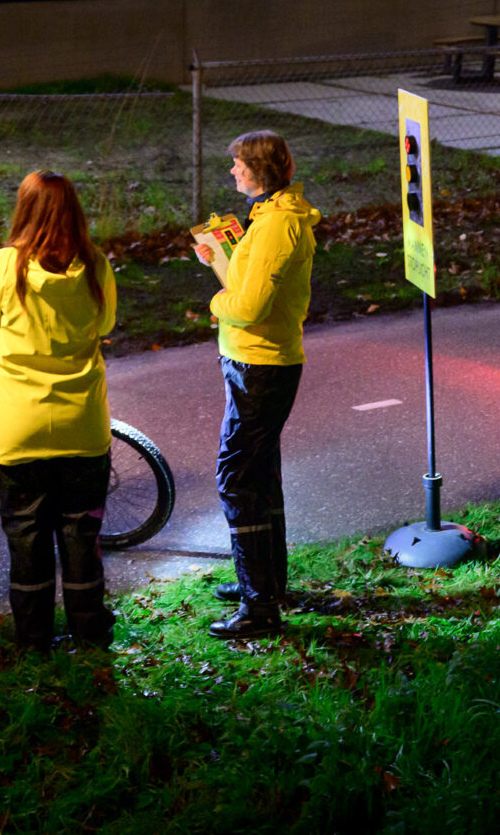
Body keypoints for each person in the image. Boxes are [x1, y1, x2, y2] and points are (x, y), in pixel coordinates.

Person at [0, 171, 119, 651]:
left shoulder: (3, 264)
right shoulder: (96, 264)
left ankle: (33, 640)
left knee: (26, 534)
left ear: (24, 210)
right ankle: (89, 632)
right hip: (82, 422)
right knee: (81, 532)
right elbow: (108, 322)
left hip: (19, 426)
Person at [192, 130, 321, 640]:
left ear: (261, 170)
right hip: (257, 360)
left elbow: (246, 306)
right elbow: (252, 283)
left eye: (240, 163)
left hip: (260, 365)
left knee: (237, 477)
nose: (233, 171)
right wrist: (223, 261)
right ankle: (266, 583)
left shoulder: (276, 226)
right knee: (260, 473)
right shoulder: (268, 217)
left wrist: (216, 303)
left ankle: (259, 606)